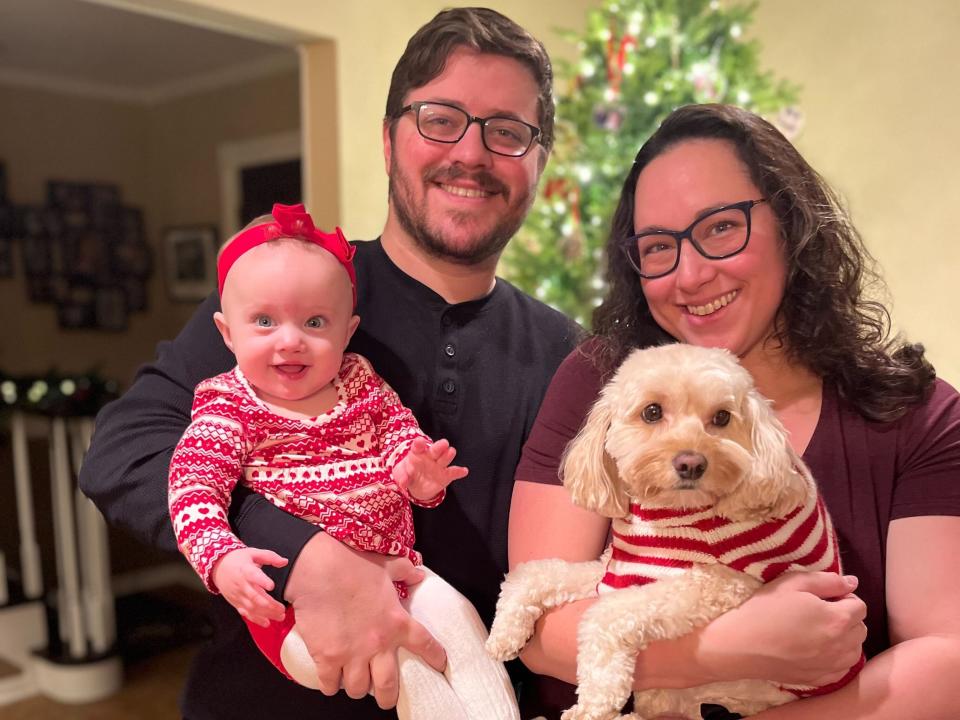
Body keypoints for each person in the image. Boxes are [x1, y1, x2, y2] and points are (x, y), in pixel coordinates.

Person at [79, 7, 579, 719]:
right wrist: (306, 556)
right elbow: (122, 451)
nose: (470, 153)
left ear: (539, 158)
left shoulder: (569, 355)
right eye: (440, 118)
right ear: (387, 139)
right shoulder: (284, 297)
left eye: (507, 131)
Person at [509, 103, 960, 719]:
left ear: (791, 222)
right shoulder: (599, 381)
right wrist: (734, 649)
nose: (690, 275)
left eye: (721, 227)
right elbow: (538, 634)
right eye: (658, 247)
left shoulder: (919, 417)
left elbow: (946, 660)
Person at [168, 202, 518, 719]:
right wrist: (220, 559)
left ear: (347, 330)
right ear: (226, 333)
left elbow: (401, 433)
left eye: (314, 321)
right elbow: (192, 489)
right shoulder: (230, 406)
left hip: (399, 569)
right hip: (296, 613)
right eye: (264, 321)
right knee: (410, 669)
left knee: (463, 626)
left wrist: (418, 473)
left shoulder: (358, 381)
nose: (290, 340)